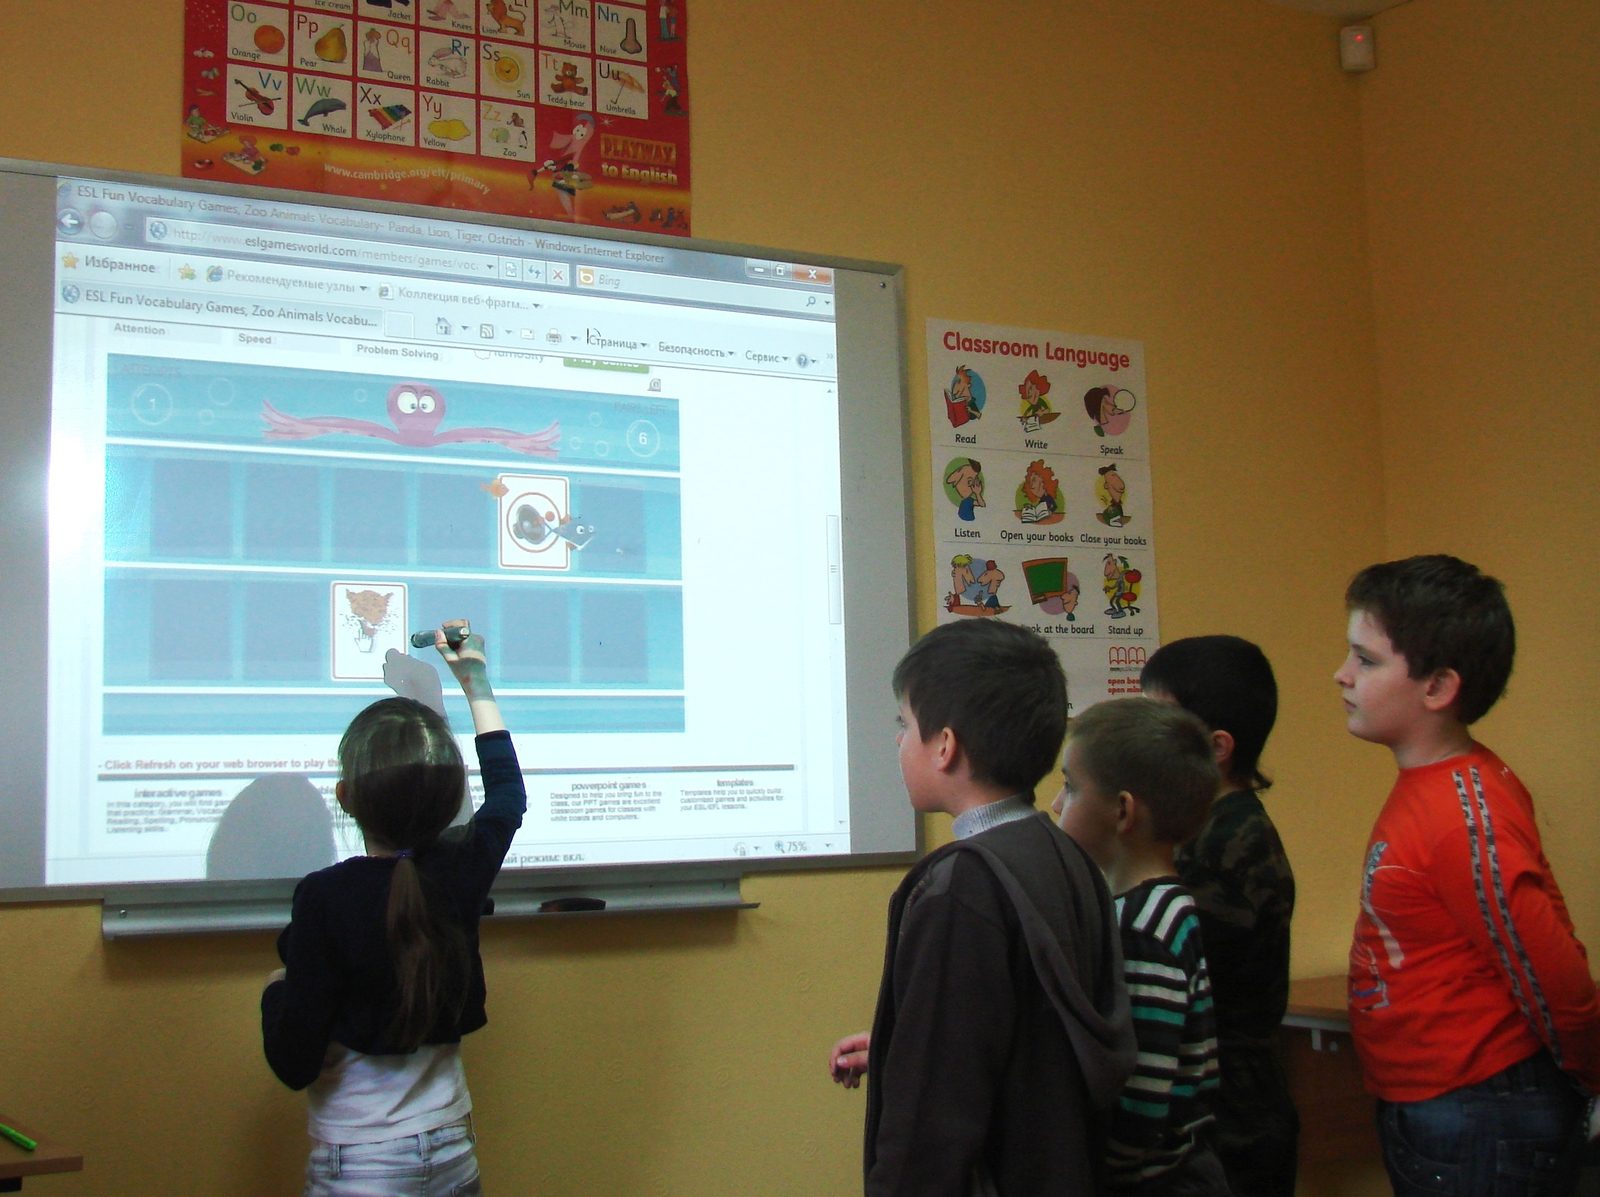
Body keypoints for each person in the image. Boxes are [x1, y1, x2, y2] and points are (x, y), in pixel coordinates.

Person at [827, 619, 1136, 1196]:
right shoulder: (1064, 854)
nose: (899, 741)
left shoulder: (961, 888)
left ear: (945, 746)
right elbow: (1026, 1035)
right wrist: (901, 1043)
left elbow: (931, 1122)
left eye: (905, 725)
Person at [1338, 554, 1600, 1196]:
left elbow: (1551, 971)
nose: (1341, 674)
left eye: (1366, 660)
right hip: (1441, 1106)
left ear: (1437, 688)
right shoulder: (1430, 787)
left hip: (1481, 1108)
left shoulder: (1463, 815)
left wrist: (1594, 1079)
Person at [262, 620, 525, 1196]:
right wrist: (476, 683)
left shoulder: (325, 898)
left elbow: (293, 1063)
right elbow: (508, 795)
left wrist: (277, 989)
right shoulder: (461, 872)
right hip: (453, 1151)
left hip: (361, 1165)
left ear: (346, 797)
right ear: (451, 800)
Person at [1140, 635, 1298, 1197]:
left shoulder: (1234, 842)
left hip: (1234, 1116)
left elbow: (1174, 963)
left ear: (1217, 748)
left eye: (1158, 724)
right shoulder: (1198, 829)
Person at [1053, 697, 1230, 1195]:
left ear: (1122, 810)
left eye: (1070, 786)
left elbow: (1143, 1093)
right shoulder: (1160, 906)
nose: (1057, 803)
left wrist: (1099, 1169)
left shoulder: (1141, 929)